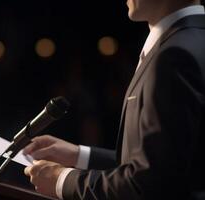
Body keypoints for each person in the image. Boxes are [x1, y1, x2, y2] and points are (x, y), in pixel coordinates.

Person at [24, 0, 205, 199]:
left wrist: (62, 179)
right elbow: (165, 166)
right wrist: (79, 155)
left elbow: (149, 185)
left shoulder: (174, 55)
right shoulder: (190, 40)